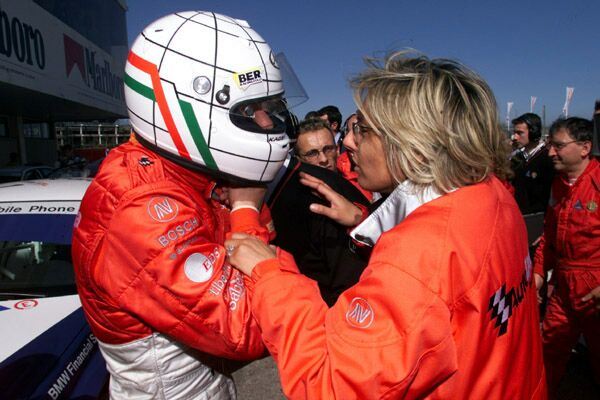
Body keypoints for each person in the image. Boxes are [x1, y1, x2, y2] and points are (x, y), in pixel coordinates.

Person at [225, 51, 547, 399]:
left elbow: (329, 384)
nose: (346, 143)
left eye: (361, 131)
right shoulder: (492, 193)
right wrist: (365, 222)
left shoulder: (418, 254)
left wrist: (270, 275)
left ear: (413, 143)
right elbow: (452, 291)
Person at [72, 11, 295, 399]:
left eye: (269, 106)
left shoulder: (187, 175)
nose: (266, 122)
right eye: (249, 110)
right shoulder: (141, 205)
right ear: (186, 106)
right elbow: (252, 326)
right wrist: (245, 211)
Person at [268, 118, 370, 306]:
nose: (323, 159)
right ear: (299, 159)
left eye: (328, 149)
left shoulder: (367, 180)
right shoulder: (299, 208)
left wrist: (361, 218)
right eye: (312, 153)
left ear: (337, 149)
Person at [533, 117, 600, 394]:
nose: (550, 152)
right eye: (550, 145)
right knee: (548, 350)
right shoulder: (558, 185)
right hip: (563, 287)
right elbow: (548, 235)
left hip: (594, 290)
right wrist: (538, 273)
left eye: (558, 145)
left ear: (585, 147)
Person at [510, 113, 555, 214]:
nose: (515, 137)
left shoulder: (547, 159)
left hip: (537, 220)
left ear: (533, 133)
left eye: (519, 133)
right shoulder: (516, 158)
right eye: (514, 133)